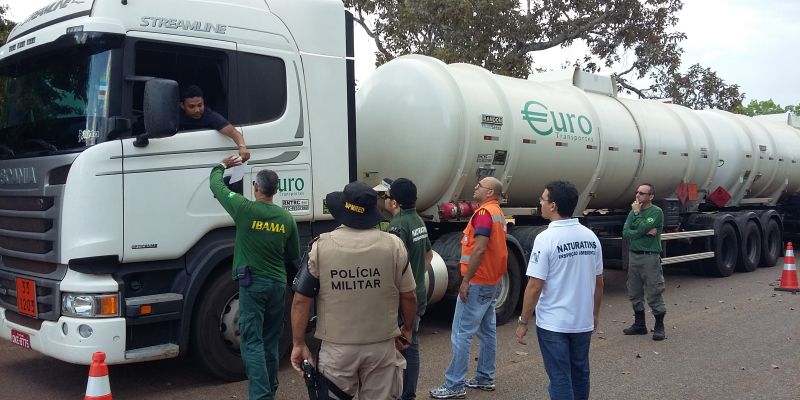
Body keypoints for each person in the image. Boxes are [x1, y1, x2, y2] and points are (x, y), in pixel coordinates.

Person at [290, 181, 418, 399]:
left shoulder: (320, 247)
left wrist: (299, 342)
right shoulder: (394, 245)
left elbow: (301, 300)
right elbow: (409, 296)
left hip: (337, 350)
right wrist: (407, 329)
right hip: (381, 347)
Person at [209, 156, 300, 400]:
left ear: (256, 187)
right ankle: (270, 389)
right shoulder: (286, 218)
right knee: (270, 340)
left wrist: (221, 166)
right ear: (275, 190)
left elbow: (216, 186)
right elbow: (292, 253)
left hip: (253, 285)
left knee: (251, 341)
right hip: (278, 285)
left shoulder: (244, 209)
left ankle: (261, 395)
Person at [515, 180, 604, 400]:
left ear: (553, 205)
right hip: (582, 322)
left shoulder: (545, 239)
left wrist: (523, 320)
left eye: (543, 199)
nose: (540, 203)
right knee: (580, 373)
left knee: (559, 377)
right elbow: (599, 281)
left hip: (554, 323)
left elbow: (535, 285)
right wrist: (594, 314)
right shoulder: (590, 237)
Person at [431, 177, 507, 399]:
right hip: (491, 280)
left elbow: (480, 249)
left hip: (478, 281)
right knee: (487, 331)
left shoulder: (484, 213)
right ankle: (485, 377)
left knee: (461, 333)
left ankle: (454, 384)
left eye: (480, 186)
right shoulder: (497, 212)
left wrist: (466, 281)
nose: (475, 187)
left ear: (490, 192)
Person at [375, 178, 433, 400]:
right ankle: (408, 394)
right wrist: (415, 277)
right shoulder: (418, 220)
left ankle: (400, 394)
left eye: (386, 196)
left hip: (403, 299)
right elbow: (428, 256)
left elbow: (395, 267)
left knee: (396, 347)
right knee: (412, 345)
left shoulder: (397, 225)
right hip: (418, 292)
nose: (385, 200)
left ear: (394, 202)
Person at [621, 183, 666, 341]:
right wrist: (644, 231)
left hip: (650, 256)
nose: (637, 195)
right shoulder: (633, 212)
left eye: (642, 193)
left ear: (651, 196)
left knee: (654, 290)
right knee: (634, 291)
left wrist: (637, 216)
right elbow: (626, 233)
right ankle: (640, 325)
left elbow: (640, 228)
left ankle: (659, 326)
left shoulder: (656, 212)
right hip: (634, 256)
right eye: (637, 192)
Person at [179, 84, 250, 161]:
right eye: (192, 106)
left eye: (200, 105)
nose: (197, 110)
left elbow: (233, 132)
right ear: (182, 105)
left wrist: (242, 147)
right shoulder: (174, 115)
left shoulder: (208, 115)